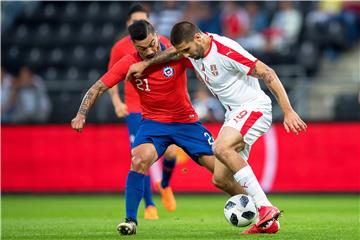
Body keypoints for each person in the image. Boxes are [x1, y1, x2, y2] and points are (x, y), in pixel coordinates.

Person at [127, 21, 307, 234]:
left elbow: (267, 72)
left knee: (221, 148)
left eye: (186, 50)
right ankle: (267, 222)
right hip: (234, 114)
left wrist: (287, 110)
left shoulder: (225, 50)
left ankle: (265, 207)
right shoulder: (192, 49)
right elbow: (173, 53)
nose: (185, 55)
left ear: (198, 38)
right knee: (220, 179)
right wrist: (146, 65)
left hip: (254, 107)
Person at [71, 20, 246, 236]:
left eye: (152, 44)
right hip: (153, 124)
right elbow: (98, 87)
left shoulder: (177, 53)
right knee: (138, 159)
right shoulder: (129, 63)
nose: (150, 51)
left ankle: (257, 208)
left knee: (222, 175)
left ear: (157, 35)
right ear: (134, 46)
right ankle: (130, 220)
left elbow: (205, 57)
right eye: (142, 48)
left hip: (186, 123)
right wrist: (81, 113)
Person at [107, 4, 177, 220]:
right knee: (140, 157)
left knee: (172, 152)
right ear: (128, 24)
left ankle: (164, 184)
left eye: (142, 20)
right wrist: (117, 103)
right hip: (136, 108)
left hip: (164, 108)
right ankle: (149, 205)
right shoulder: (119, 48)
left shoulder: (162, 43)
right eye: (134, 21)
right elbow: (110, 78)